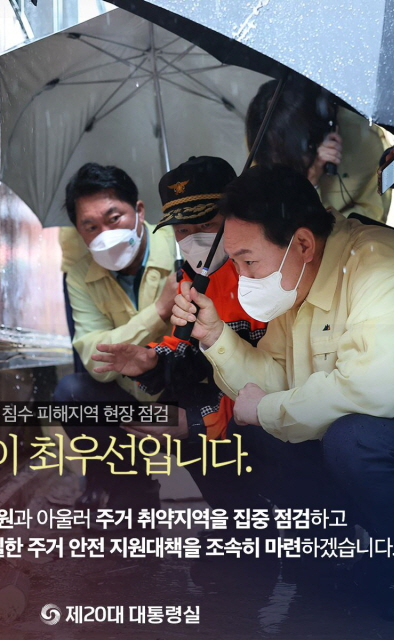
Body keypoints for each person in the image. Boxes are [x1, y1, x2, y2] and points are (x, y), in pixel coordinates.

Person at [171, 164, 394, 622]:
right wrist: (215, 337)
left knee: (354, 439)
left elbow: (371, 393)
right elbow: (275, 380)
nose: (241, 275)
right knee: (255, 430)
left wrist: (266, 409)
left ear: (302, 244)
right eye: (234, 261)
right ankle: (333, 553)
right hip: (379, 445)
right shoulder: (298, 279)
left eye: (248, 261)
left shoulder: (385, 269)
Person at [91, 156, 267, 511]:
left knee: (194, 421)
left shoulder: (264, 273)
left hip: (266, 403)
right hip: (227, 400)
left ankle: (256, 520)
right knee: (171, 406)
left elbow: (271, 374)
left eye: (206, 224)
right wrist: (151, 361)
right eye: (182, 230)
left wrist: (201, 421)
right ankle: (233, 516)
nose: (194, 238)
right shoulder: (190, 277)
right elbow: (183, 347)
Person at [53, 162, 177, 510]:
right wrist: (159, 311)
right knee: (72, 394)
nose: (105, 234)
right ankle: (134, 490)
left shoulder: (181, 248)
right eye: (91, 227)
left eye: (114, 218)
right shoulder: (80, 277)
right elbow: (97, 361)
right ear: (79, 233)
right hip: (130, 401)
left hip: (186, 398)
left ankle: (237, 509)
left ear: (139, 211)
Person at [247, 76, 391, 221]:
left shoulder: (364, 142)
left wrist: (311, 187)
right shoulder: (264, 140)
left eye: (284, 153)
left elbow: (374, 215)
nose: (275, 160)